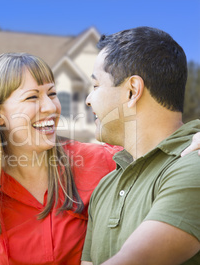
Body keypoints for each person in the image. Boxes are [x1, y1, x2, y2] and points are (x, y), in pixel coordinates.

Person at [0, 52, 200, 265]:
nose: (50, 107)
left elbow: (160, 149)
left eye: (52, 94)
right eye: (32, 97)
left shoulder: (97, 160)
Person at [82, 27, 200, 265]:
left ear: (132, 91)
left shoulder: (193, 165)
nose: (88, 99)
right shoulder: (105, 187)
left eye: (96, 86)